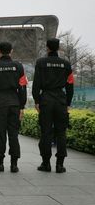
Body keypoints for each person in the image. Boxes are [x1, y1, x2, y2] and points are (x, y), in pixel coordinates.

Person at [32, 38, 74, 173]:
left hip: (46, 100)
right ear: (58, 48)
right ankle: (60, 165)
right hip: (61, 100)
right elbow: (70, 85)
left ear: (47, 48)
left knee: (46, 132)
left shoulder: (41, 63)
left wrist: (37, 101)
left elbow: (36, 84)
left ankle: (46, 163)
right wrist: (67, 103)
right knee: (61, 132)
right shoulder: (66, 64)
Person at [0, 42, 27, 173]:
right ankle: (14, 164)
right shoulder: (18, 67)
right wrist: (22, 106)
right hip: (14, 102)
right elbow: (22, 87)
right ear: (11, 51)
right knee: (13, 134)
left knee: (0, 134)